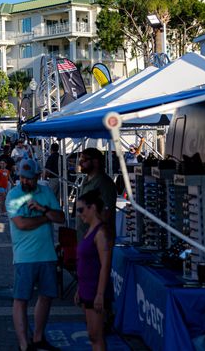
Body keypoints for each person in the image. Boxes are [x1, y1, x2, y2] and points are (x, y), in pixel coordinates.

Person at [6, 159, 65, 351]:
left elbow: (61, 218)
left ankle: (38, 338)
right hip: (24, 257)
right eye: (22, 177)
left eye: (29, 179)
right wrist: (44, 218)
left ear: (38, 177)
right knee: (21, 299)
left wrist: (43, 210)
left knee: (47, 296)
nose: (25, 181)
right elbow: (21, 224)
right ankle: (24, 344)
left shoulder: (45, 192)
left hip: (47, 254)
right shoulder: (13, 195)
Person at [75, 189, 112, 351]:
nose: (79, 214)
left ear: (93, 208)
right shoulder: (89, 230)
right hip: (86, 288)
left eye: (81, 210)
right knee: (92, 335)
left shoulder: (101, 233)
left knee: (96, 336)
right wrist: (79, 289)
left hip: (95, 290)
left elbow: (105, 265)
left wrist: (100, 294)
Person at [76, 148, 117, 243]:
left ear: (95, 161)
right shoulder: (86, 180)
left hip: (97, 242)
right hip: (85, 239)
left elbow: (106, 212)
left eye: (84, 160)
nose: (80, 163)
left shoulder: (104, 183)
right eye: (80, 160)